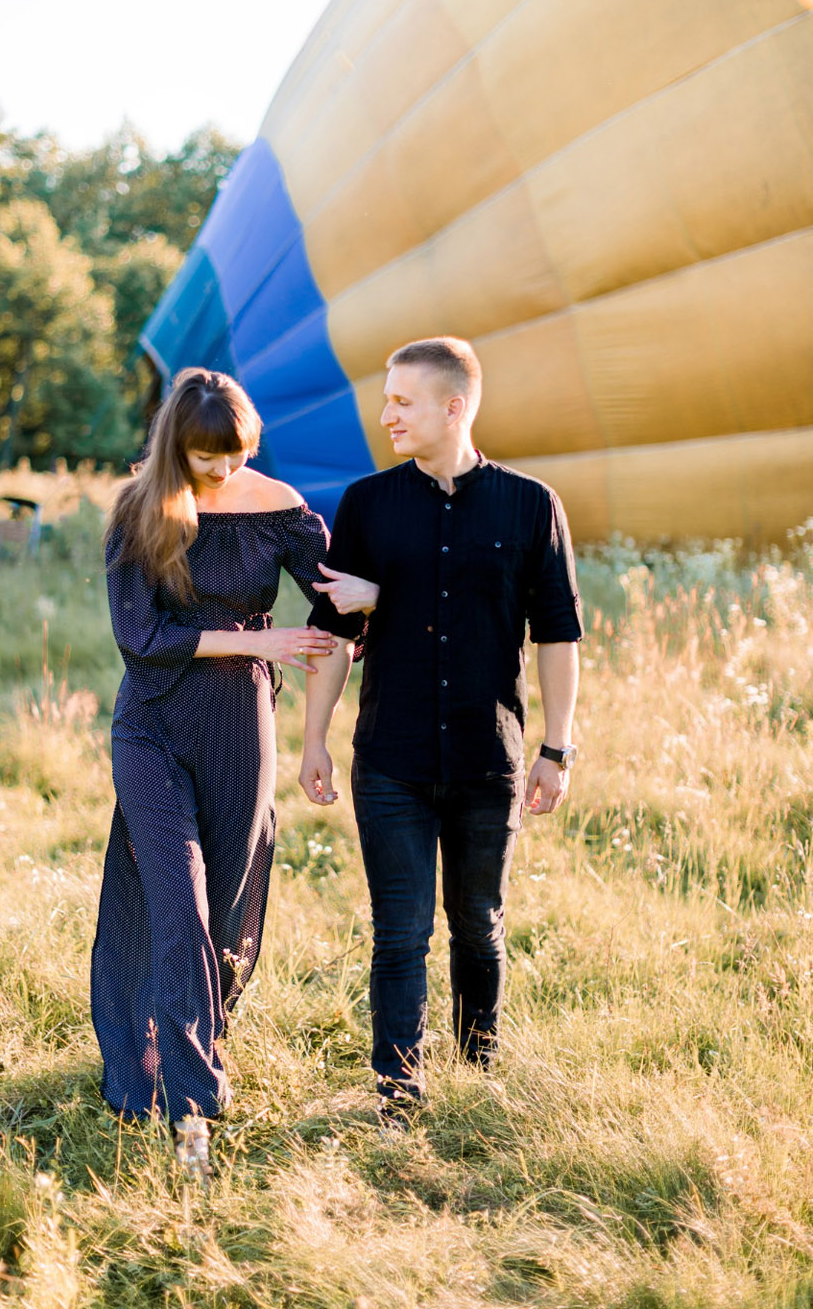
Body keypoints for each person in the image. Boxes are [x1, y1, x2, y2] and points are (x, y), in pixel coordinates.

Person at [298, 336, 583, 1126]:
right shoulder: (365, 504)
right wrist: (315, 738)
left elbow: (557, 635)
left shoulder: (530, 505)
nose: (385, 414)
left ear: (453, 406)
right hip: (389, 758)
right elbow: (330, 638)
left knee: (478, 925)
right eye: (386, 399)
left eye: (402, 401)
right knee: (399, 934)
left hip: (488, 758)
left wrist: (558, 746)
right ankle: (397, 1095)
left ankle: (479, 1070)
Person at [91, 367, 338, 1177]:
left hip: (241, 728)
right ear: (175, 448)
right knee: (178, 903)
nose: (224, 474)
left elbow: (335, 602)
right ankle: (191, 1112)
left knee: (227, 910)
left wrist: (377, 593)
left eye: (235, 456)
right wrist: (259, 640)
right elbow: (142, 637)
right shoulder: (139, 509)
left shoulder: (278, 508)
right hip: (153, 724)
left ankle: (189, 1035)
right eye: (207, 461)